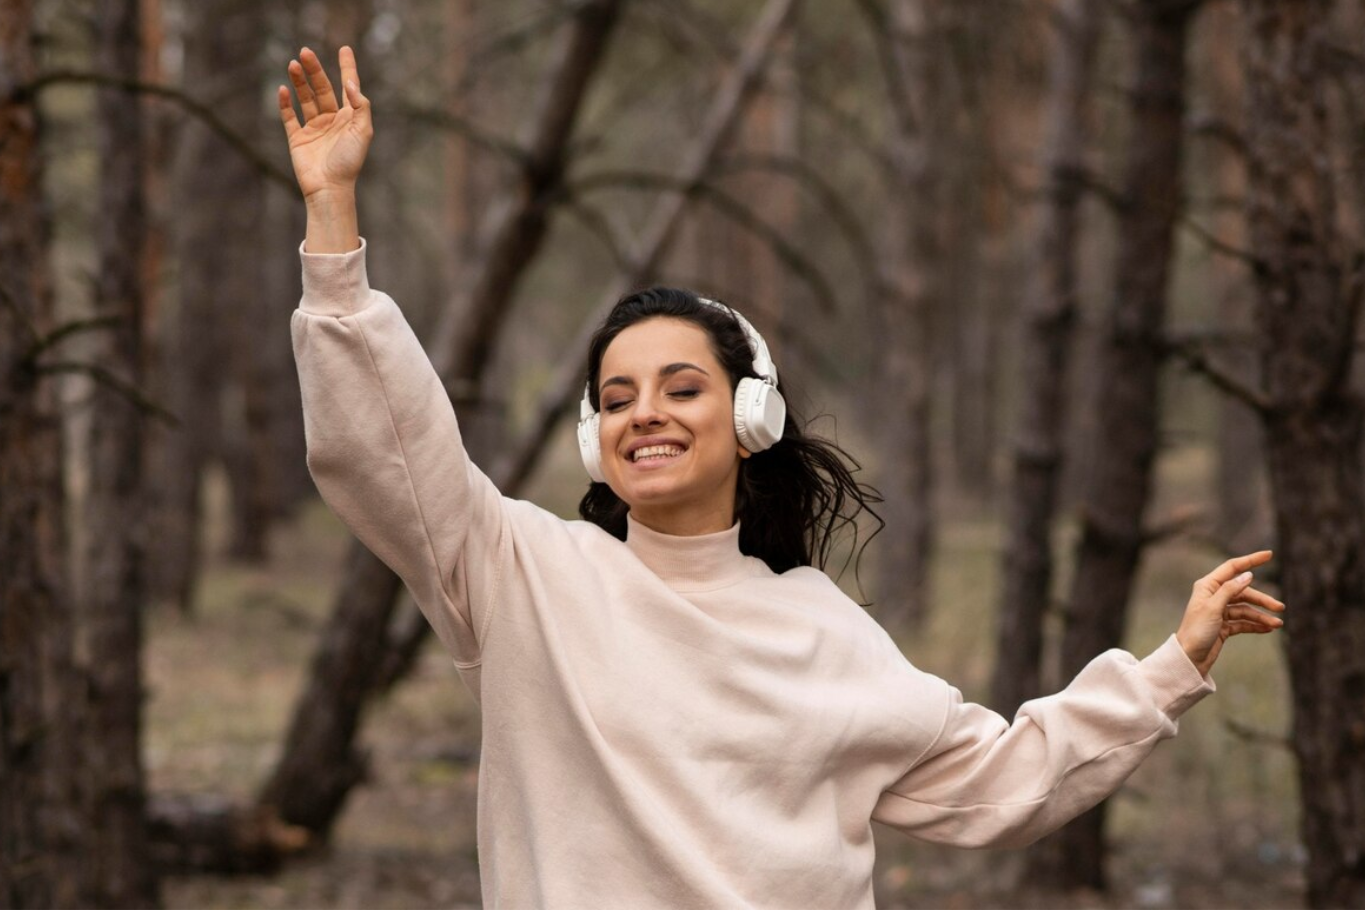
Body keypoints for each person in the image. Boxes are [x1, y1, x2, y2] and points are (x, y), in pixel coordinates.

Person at [279, 46, 1286, 909]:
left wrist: (1171, 664)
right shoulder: (522, 577)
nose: (647, 414)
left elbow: (1001, 781)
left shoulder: (824, 634)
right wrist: (333, 226)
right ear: (596, 434)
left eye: (681, 387)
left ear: (749, 415)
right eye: (619, 396)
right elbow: (384, 455)